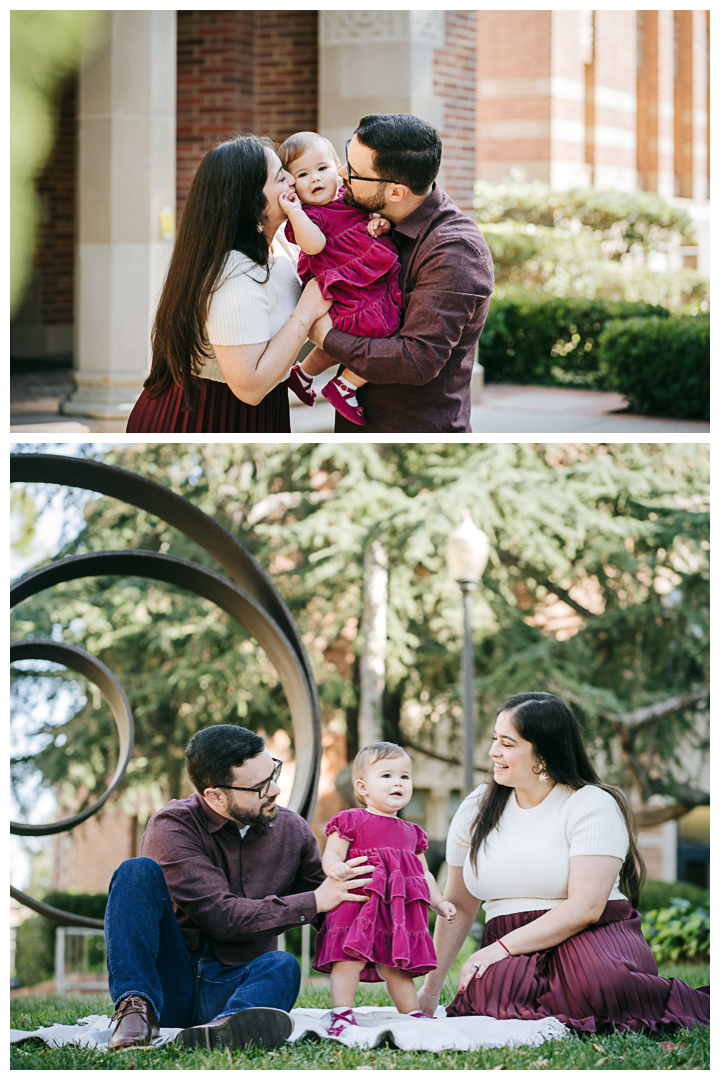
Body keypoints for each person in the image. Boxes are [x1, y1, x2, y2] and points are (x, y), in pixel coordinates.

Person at [418, 693, 710, 1034]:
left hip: (593, 932)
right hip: (511, 937)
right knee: (494, 994)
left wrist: (496, 949)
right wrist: (430, 990)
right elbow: (459, 907)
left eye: (507, 744)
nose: (493, 752)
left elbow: (586, 906)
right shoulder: (475, 808)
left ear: (542, 755)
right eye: (495, 740)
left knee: (596, 985)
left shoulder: (591, 803)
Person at [105, 725, 373, 1051]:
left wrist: (387, 927)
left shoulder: (292, 830)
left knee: (283, 965)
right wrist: (313, 902)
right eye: (260, 787)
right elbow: (223, 917)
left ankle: (228, 1026)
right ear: (215, 795)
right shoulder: (173, 826)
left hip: (237, 986)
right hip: (170, 987)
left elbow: (332, 910)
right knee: (135, 872)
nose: (275, 790)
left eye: (273, 774)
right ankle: (135, 1010)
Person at [126, 135, 331, 433]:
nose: (291, 179)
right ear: (253, 204)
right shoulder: (233, 275)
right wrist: (307, 309)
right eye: (279, 177)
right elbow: (250, 387)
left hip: (264, 413)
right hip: (206, 418)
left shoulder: (285, 244)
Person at [306, 113, 494, 433]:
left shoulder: (455, 251)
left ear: (396, 192)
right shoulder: (369, 215)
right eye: (346, 156)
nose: (340, 173)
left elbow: (416, 359)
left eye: (353, 171)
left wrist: (325, 336)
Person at [313, 742, 456, 1037]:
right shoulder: (352, 819)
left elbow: (423, 873)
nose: (398, 783)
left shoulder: (413, 833)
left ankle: (411, 1013)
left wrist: (438, 902)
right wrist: (334, 867)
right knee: (349, 959)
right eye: (387, 776)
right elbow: (331, 853)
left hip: (396, 913)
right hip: (358, 904)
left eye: (405, 777)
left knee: (396, 966)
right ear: (363, 787)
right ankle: (341, 1013)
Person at [277, 131, 402, 427]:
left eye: (322, 169)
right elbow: (314, 245)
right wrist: (295, 211)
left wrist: (381, 222)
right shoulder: (308, 216)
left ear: (338, 169)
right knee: (384, 335)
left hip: (367, 285)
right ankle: (345, 386)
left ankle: (304, 374)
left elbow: (371, 220)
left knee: (346, 342)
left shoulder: (350, 200)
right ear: (292, 185)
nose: (315, 179)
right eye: (303, 174)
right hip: (347, 290)